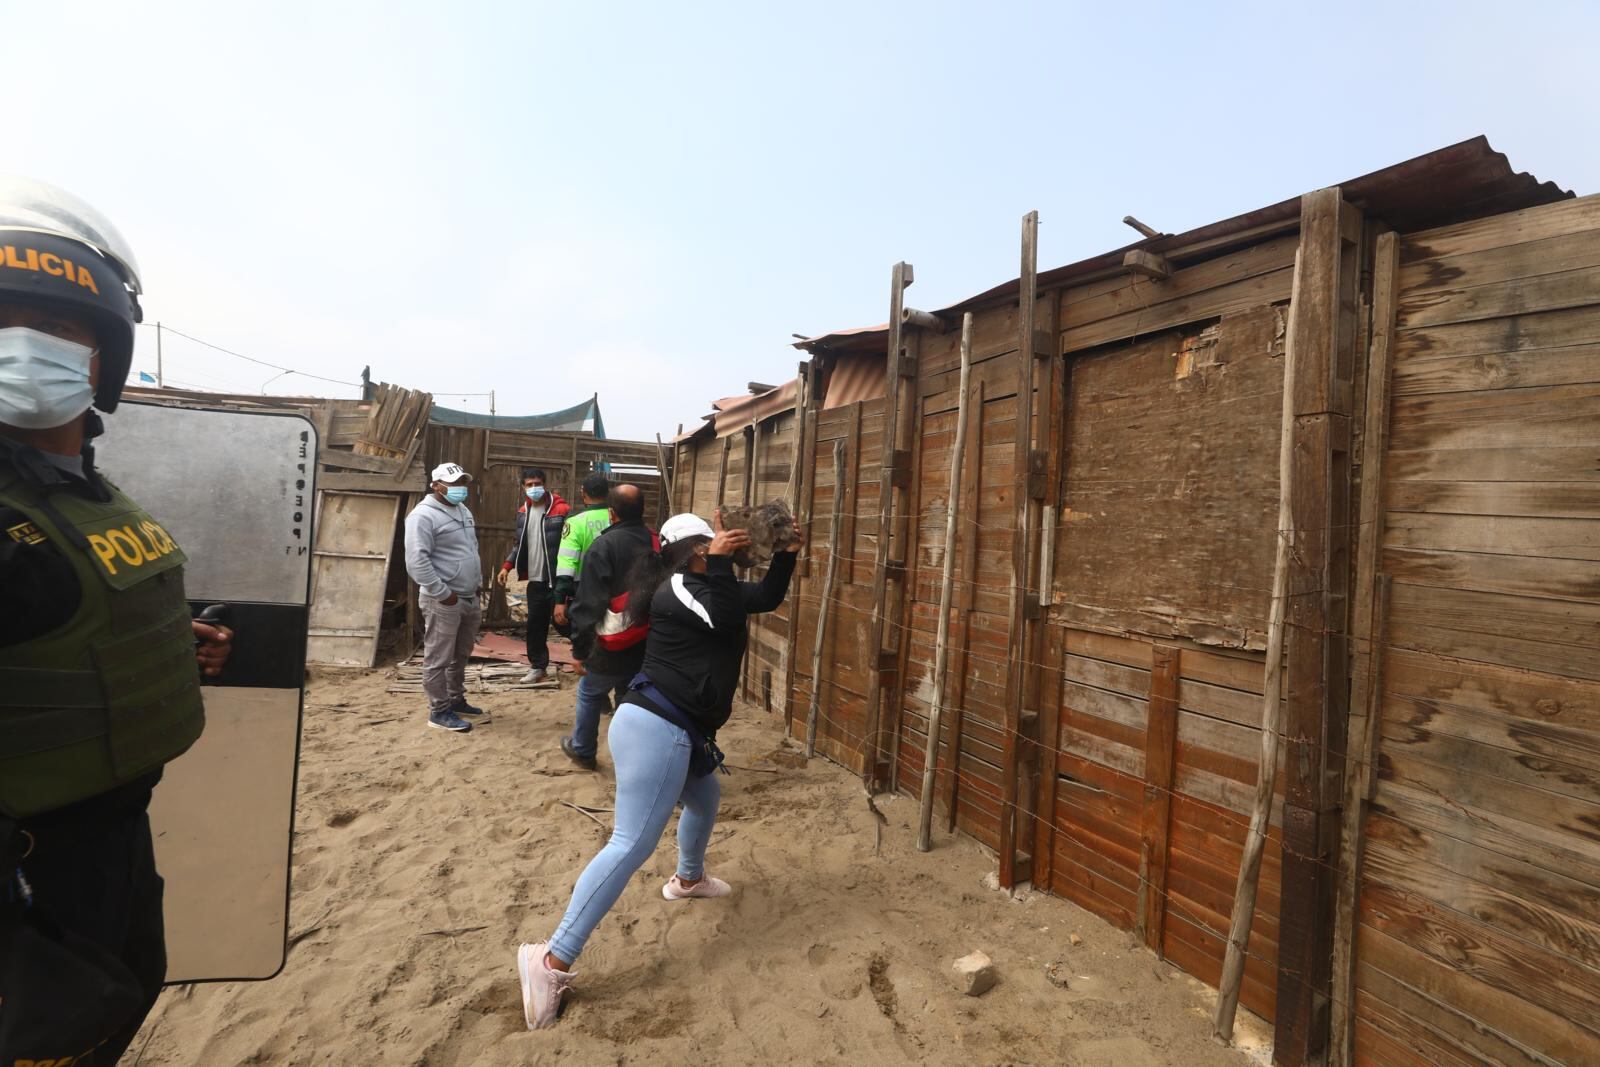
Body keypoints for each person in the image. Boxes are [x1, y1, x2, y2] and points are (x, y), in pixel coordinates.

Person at [0, 177, 233, 1064]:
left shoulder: (83, 488)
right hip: (29, 880)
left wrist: (168, 649)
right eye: (2, 319)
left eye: (57, 324)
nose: (26, 345)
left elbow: (68, 620)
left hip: (114, 848)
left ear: (104, 352)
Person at [516, 508, 802, 1030]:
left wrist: (785, 557)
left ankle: (688, 880)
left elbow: (762, 598)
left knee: (704, 798)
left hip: (675, 728)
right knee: (629, 843)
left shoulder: (706, 585)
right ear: (696, 550)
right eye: (713, 542)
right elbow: (722, 616)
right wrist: (718, 563)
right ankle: (551, 959)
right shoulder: (681, 588)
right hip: (658, 728)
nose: (726, 545)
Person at [561, 484, 657, 770]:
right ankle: (631, 757)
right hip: (647, 638)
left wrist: (579, 649)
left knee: (590, 692)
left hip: (610, 640)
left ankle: (584, 750)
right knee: (630, 697)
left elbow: (589, 602)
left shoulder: (603, 546)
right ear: (643, 510)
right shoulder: (657, 541)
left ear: (612, 514)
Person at [403, 462, 484, 733]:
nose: (460, 488)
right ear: (436, 485)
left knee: (460, 654)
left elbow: (471, 549)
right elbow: (416, 561)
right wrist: (443, 593)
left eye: (463, 483)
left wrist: (477, 583)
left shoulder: (462, 510)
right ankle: (439, 711)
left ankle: (455, 699)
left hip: (468, 596)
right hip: (443, 600)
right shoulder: (422, 516)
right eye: (453, 484)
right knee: (438, 658)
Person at [495, 467, 569, 683]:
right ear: (523, 487)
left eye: (537, 484)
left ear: (544, 485)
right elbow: (519, 544)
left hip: (557, 579)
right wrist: (506, 566)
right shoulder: (522, 513)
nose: (534, 488)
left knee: (565, 623)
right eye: (529, 485)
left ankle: (588, 659)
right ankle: (538, 667)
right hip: (536, 580)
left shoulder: (562, 510)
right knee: (535, 627)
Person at [550, 471, 611, 631]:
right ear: (607, 493)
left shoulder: (575, 523)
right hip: (615, 590)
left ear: (583, 493)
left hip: (583, 591)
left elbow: (567, 563)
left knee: (584, 638)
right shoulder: (617, 517)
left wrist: (560, 600)